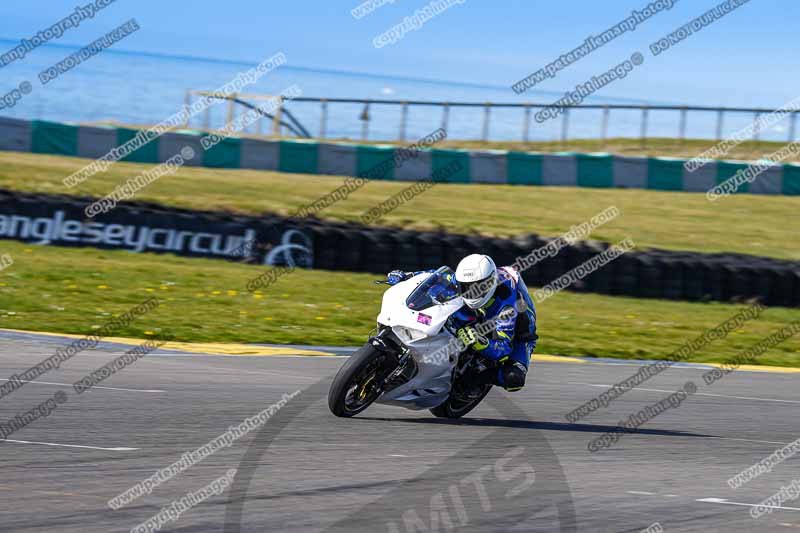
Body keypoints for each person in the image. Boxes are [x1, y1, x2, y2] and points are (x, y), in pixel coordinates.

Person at [386, 254, 538, 393]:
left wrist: (479, 341)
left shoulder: (506, 307)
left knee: (514, 379)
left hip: (520, 331)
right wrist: (406, 276)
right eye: (466, 287)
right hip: (485, 307)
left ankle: (473, 379)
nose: (471, 291)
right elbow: (432, 277)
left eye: (477, 288)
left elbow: (503, 348)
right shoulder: (463, 279)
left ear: (490, 283)